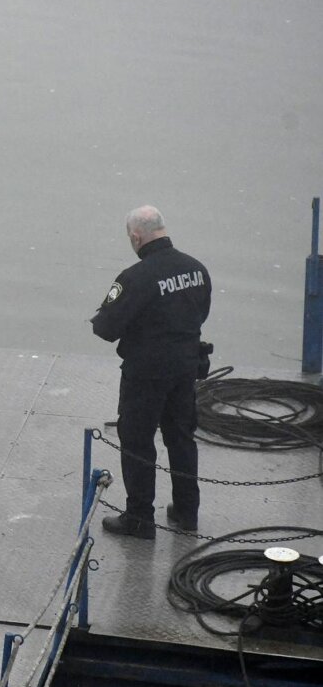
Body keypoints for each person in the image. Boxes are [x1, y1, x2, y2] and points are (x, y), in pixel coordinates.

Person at [91, 205, 212, 539]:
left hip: (146, 374)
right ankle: (187, 512)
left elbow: (105, 327)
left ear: (135, 236)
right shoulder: (197, 270)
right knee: (181, 437)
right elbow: (200, 314)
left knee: (137, 441)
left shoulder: (135, 277)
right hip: (186, 368)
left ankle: (140, 518)